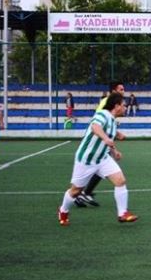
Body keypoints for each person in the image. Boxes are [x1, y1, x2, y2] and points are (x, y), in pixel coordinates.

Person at [57, 92, 138, 226]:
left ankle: (122, 213)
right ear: (116, 106)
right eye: (123, 105)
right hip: (87, 159)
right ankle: (63, 210)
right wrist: (106, 138)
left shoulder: (113, 121)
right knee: (76, 191)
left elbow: (108, 139)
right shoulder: (103, 114)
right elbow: (95, 127)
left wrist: (114, 151)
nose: (125, 108)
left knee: (120, 181)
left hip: (102, 158)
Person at [75, 81, 126, 208]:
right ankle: (82, 193)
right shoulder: (106, 102)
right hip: (97, 141)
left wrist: (116, 133)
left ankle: (85, 192)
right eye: (121, 89)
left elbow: (108, 123)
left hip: (103, 140)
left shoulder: (113, 104)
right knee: (98, 165)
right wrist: (109, 137)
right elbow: (99, 122)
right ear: (113, 91)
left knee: (101, 166)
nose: (123, 91)